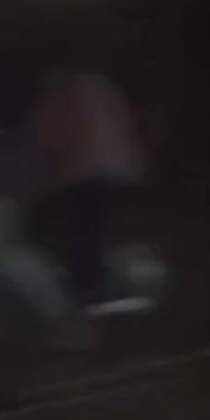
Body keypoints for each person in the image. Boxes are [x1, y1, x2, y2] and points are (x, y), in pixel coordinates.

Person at [26, 67, 151, 309]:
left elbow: (43, 140)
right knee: (100, 227)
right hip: (115, 170)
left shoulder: (59, 95)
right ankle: (106, 282)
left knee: (83, 230)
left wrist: (40, 181)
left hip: (81, 174)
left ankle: (90, 287)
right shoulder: (102, 87)